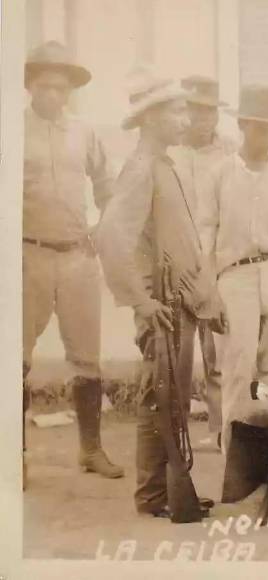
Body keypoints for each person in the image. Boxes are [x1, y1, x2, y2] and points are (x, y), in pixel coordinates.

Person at [98, 69, 221, 519]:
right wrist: (140, 301)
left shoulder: (164, 164)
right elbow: (110, 235)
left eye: (186, 109)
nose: (185, 118)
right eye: (176, 110)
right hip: (161, 306)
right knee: (159, 397)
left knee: (168, 398)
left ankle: (160, 492)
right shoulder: (142, 168)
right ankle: (153, 496)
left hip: (180, 302)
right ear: (150, 118)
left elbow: (180, 241)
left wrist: (207, 299)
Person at [22, 41, 122, 479]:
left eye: (61, 89)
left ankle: (91, 449)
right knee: (15, 359)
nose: (54, 97)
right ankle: (14, 455)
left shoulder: (84, 132)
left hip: (77, 255)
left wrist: (103, 228)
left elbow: (106, 185)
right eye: (45, 87)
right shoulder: (11, 129)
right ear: (30, 87)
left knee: (86, 359)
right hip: (28, 255)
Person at [199, 84, 268, 454]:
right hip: (235, 277)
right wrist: (209, 292)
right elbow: (206, 237)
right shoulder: (219, 174)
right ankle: (237, 460)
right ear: (243, 125)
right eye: (259, 127)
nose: (267, 136)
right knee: (237, 368)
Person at [174, 74, 236, 450]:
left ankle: (220, 431)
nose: (201, 119)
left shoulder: (230, 151)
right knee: (177, 353)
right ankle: (176, 433)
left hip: (214, 259)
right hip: (177, 259)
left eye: (208, 111)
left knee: (217, 352)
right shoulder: (171, 152)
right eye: (194, 110)